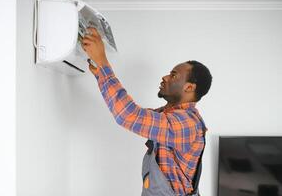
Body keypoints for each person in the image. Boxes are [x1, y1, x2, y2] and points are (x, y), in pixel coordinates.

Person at [80, 27, 212, 196]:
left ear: (189, 87)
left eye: (173, 75)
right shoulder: (170, 115)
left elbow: (129, 115)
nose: (165, 77)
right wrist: (101, 74)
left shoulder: (186, 123)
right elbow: (132, 113)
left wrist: (104, 63)